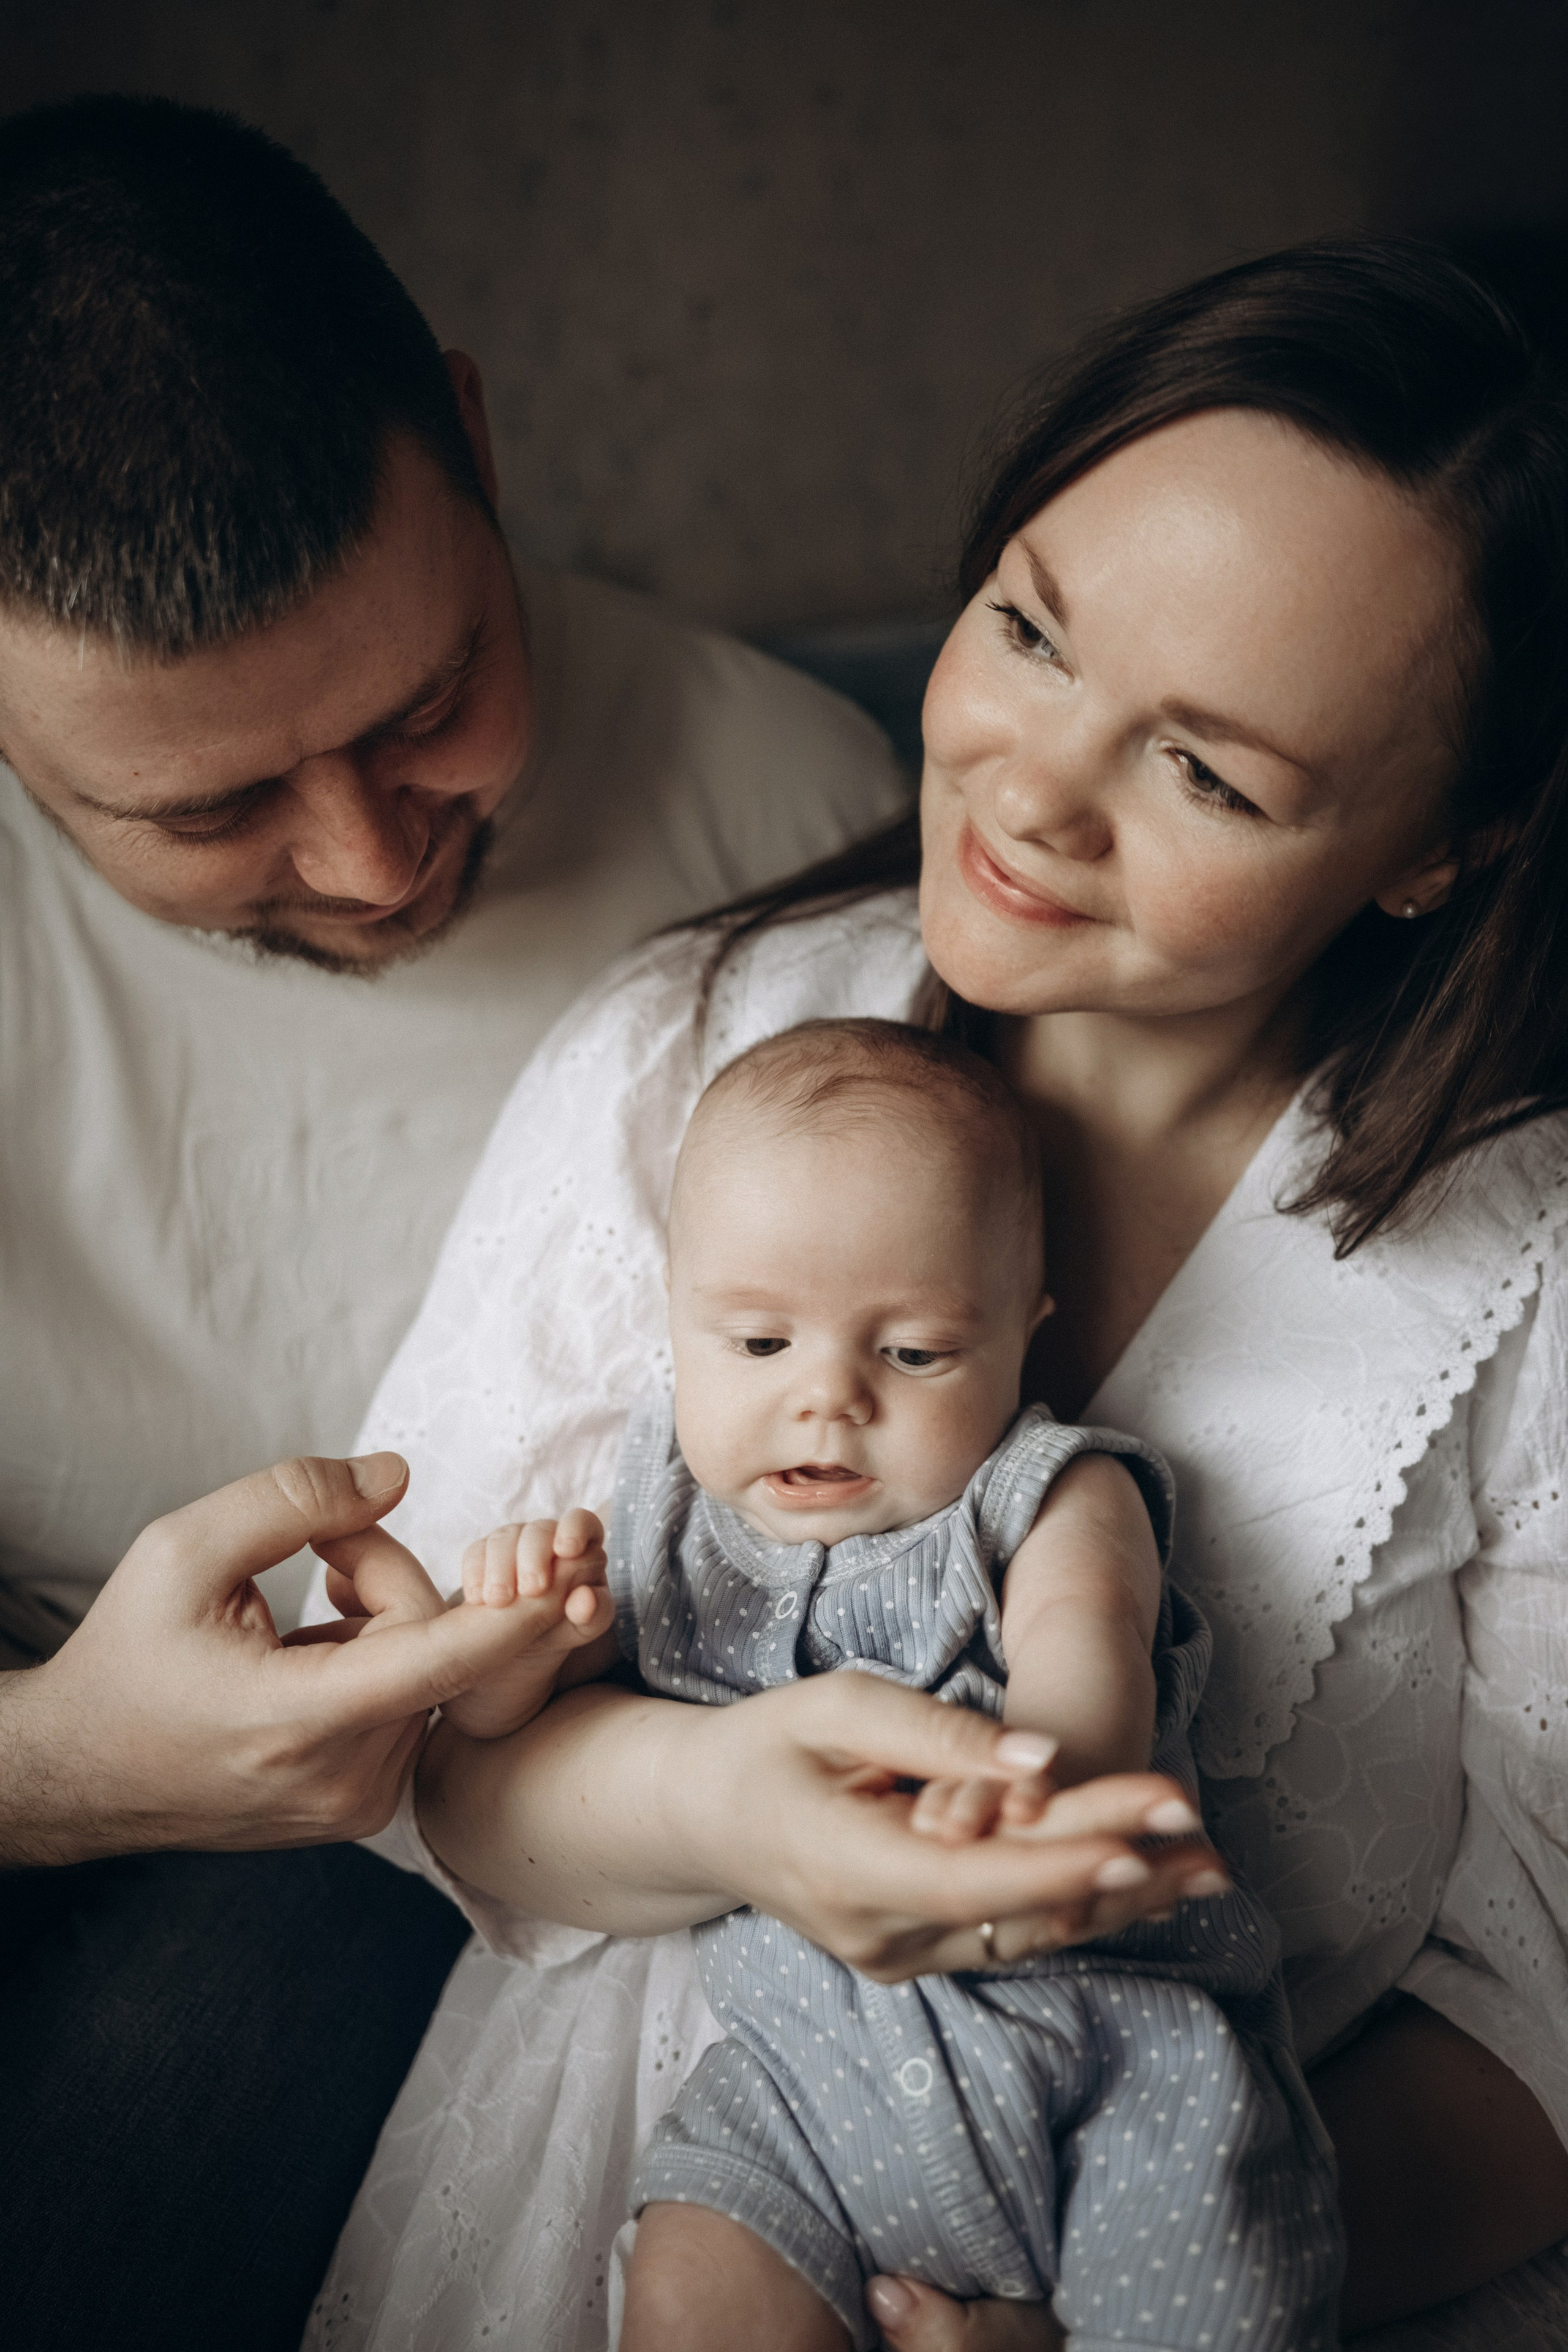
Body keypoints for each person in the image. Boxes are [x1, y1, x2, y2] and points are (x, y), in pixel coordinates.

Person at [301, 238, 1568, 2352]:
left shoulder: (1524, 1269)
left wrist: (1144, 2291)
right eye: (1028, 632)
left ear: (1436, 847)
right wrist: (730, 1803)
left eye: (1211, 775)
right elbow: (422, 1758)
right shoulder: (696, 1044)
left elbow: (1552, 2023)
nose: (1030, 790)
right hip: (666, 2184)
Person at [0, 89, 918, 2352]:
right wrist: (66, 1773)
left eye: (431, 705)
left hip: (498, 1835)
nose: (370, 852)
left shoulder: (809, 834)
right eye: (210, 807)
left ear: (481, 453)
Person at [413, 1015, 1342, 2352]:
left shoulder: (1050, 1492)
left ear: (1020, 1335)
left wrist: (1039, 1787)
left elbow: (1091, 1644)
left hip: (1110, 2056)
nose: (826, 1400)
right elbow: (509, 1744)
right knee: (689, 2289)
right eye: (753, 1345)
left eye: (911, 1353)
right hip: (801, 2081)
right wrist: (513, 1643)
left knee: (1221, 2311)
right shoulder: (659, 1516)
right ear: (673, 1314)